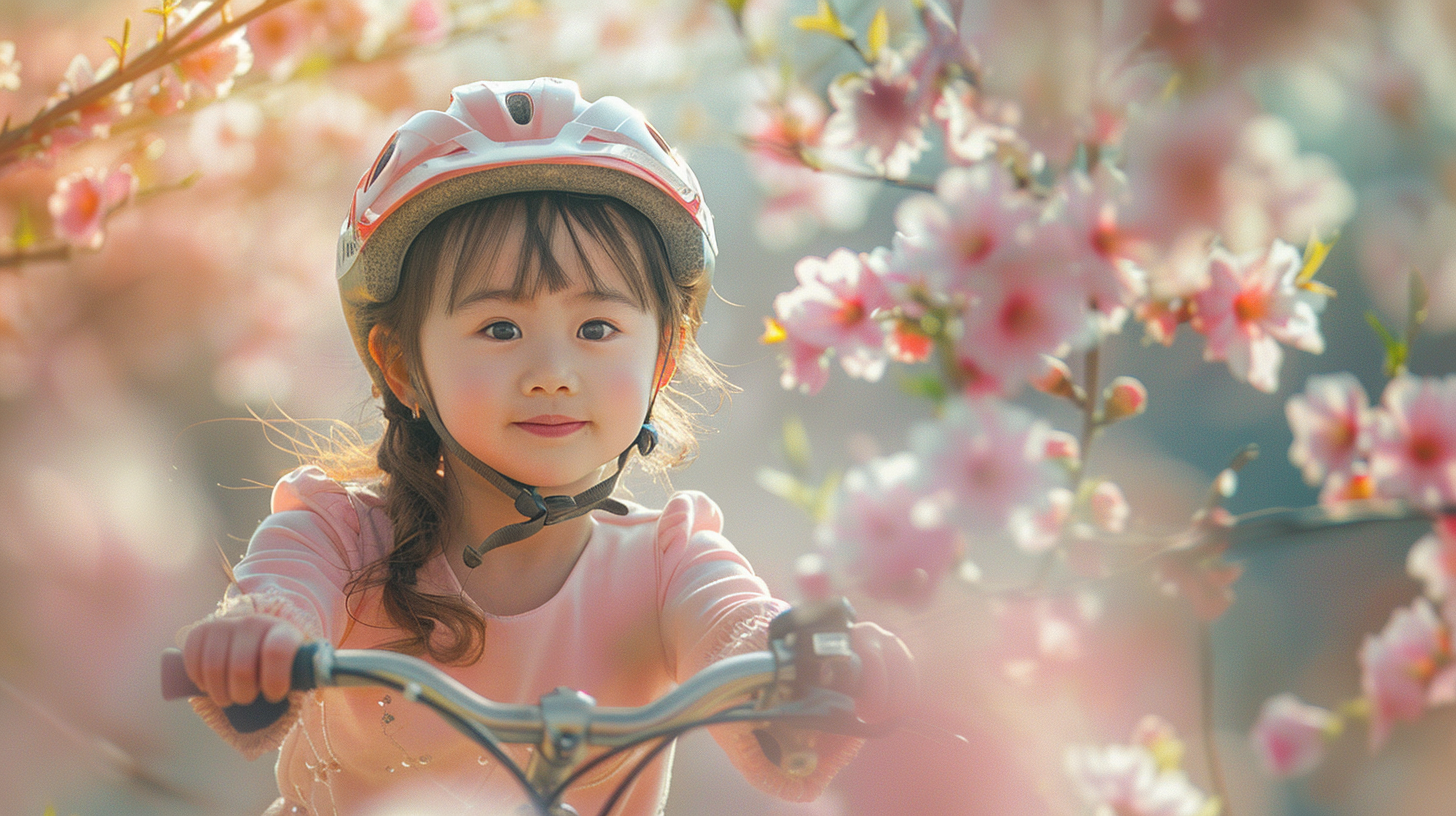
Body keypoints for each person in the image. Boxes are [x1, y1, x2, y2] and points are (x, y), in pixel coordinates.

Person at [178, 77, 916, 816]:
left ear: (665, 355)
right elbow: (282, 592)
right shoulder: (339, 538)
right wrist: (258, 637)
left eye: (597, 329)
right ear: (403, 366)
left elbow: (735, 625)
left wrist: (799, 667)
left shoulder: (667, 565)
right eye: (500, 328)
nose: (553, 376)